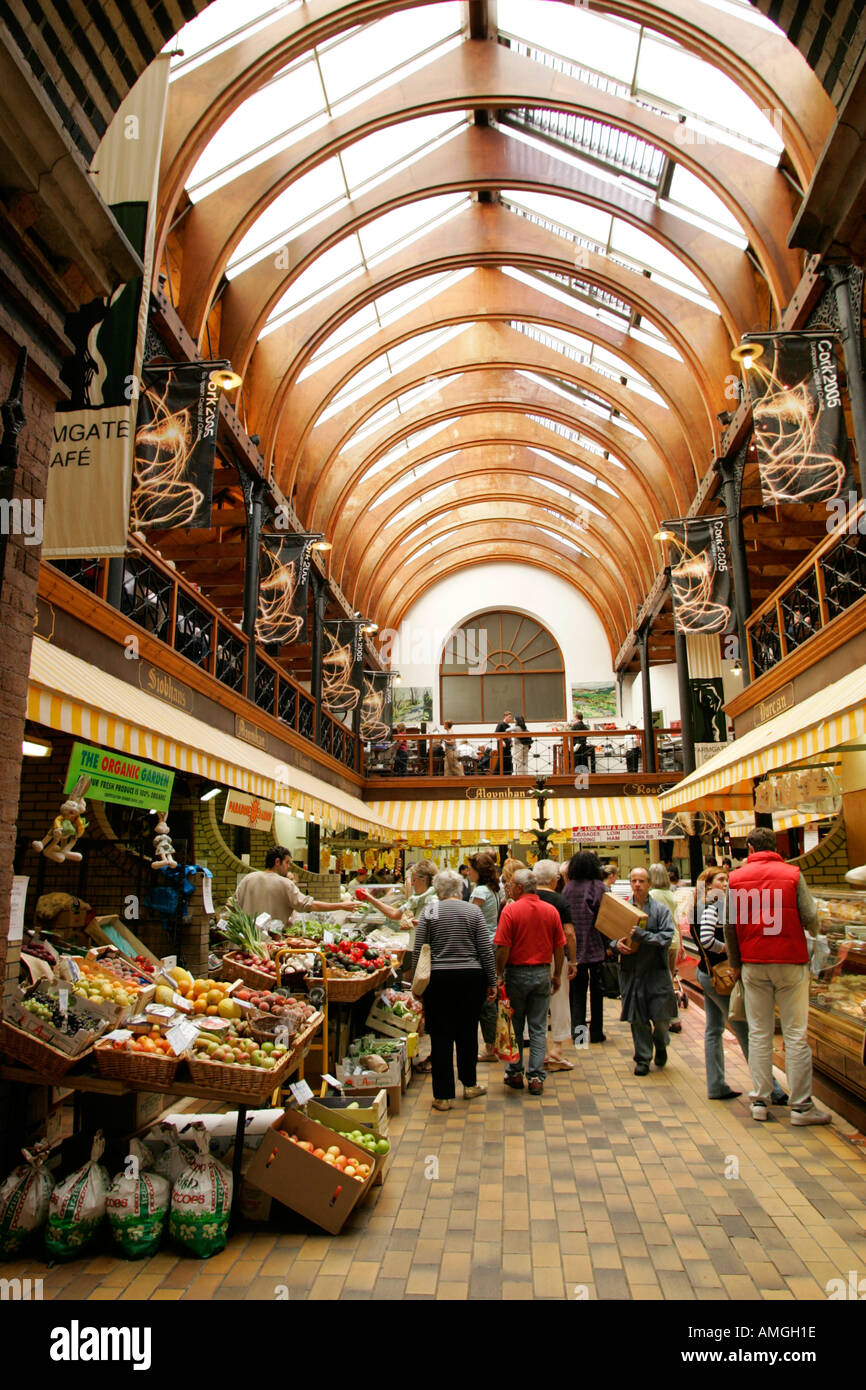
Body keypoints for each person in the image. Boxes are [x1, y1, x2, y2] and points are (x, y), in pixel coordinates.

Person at [724, 827, 830, 1126]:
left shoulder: (736, 878)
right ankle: (801, 1107)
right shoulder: (793, 874)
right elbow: (810, 916)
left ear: (749, 847)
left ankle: (759, 1100)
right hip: (790, 960)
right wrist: (817, 935)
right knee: (795, 1034)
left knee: (759, 1032)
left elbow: (729, 926)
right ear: (776, 847)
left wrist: (735, 964)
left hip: (753, 962)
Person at [692, 867, 787, 1105]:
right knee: (743, 1030)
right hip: (721, 978)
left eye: (726, 879)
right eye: (720, 880)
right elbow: (706, 939)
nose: (725, 883)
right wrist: (730, 950)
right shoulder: (714, 907)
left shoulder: (698, 907)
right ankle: (772, 1089)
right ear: (708, 883)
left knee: (713, 1029)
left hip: (707, 973)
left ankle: (716, 1085)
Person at [414, 869, 496, 1111]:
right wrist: (492, 981)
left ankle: (443, 1096)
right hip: (470, 978)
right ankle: (470, 1085)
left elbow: (420, 946)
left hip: (438, 979)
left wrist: (416, 983)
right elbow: (485, 949)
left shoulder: (430, 910)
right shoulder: (473, 911)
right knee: (467, 1032)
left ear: (438, 890)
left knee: (440, 1035)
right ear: (460, 889)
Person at [494, 868, 566, 1096]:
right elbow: (559, 946)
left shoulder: (511, 910)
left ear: (519, 888)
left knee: (514, 1026)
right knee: (537, 1026)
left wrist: (498, 974)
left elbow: (503, 947)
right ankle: (535, 1076)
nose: (509, 888)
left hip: (516, 974)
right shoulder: (551, 910)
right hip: (542, 973)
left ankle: (515, 1072)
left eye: (511, 884)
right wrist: (557, 974)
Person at [614, 866, 677, 1076]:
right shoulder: (623, 909)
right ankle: (642, 1058)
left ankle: (661, 1043)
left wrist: (645, 937)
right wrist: (616, 945)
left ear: (649, 883)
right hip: (631, 971)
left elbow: (667, 937)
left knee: (660, 1018)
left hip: (656, 971)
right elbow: (611, 933)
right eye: (633, 880)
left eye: (641, 881)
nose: (637, 885)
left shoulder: (660, 910)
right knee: (638, 1018)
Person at [534, 859, 578, 1067]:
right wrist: (574, 960)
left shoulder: (528, 898)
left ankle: (539, 1047)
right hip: (556, 955)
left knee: (535, 1001)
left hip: (531, 955)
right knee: (559, 999)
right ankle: (557, 1047)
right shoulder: (560, 901)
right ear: (554, 880)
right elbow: (569, 933)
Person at [233, 846, 346, 927]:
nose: (288, 867)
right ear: (277, 862)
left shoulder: (247, 879)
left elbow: (232, 906)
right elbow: (309, 905)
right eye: (287, 863)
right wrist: (341, 906)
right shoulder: (284, 883)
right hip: (269, 944)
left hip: (244, 940)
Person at [562, 851, 607, 1044]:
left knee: (577, 993)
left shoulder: (568, 888)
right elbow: (605, 916)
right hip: (595, 947)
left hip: (573, 949)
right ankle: (596, 1032)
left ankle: (579, 1035)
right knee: (597, 992)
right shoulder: (598, 887)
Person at [648, 862, 683, 1034]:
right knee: (669, 977)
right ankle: (671, 1016)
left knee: (663, 980)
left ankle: (670, 1017)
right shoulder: (671, 895)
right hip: (674, 940)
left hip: (660, 941)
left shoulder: (651, 895)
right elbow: (676, 921)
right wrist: (681, 944)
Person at [491, 710, 513, 775]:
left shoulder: (509, 726)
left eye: (511, 717)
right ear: (505, 716)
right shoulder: (500, 724)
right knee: (501, 761)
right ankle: (495, 776)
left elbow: (509, 736)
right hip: (502, 747)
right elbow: (496, 734)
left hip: (508, 747)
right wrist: (501, 741)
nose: (510, 719)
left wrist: (511, 741)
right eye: (509, 717)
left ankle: (508, 775)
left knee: (508, 761)